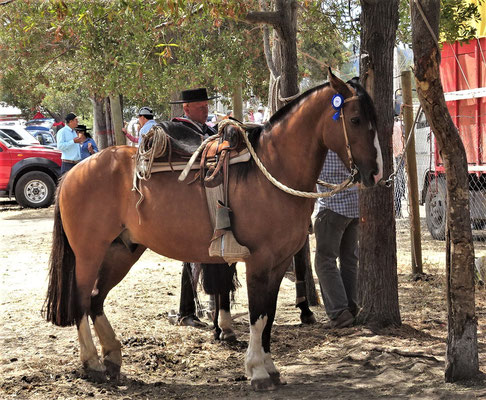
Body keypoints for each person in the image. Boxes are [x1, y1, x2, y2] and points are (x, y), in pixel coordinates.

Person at [168, 87, 232, 328]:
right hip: (190, 199)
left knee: (203, 259)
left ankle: (207, 309)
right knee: (192, 260)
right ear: (187, 109)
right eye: (201, 107)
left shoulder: (207, 129)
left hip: (209, 198)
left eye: (206, 106)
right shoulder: (180, 129)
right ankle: (187, 311)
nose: (206, 111)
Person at [314, 150, 359, 329]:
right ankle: (351, 308)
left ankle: (339, 312)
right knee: (349, 260)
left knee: (324, 261)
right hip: (354, 206)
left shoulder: (325, 143)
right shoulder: (351, 137)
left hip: (332, 208)